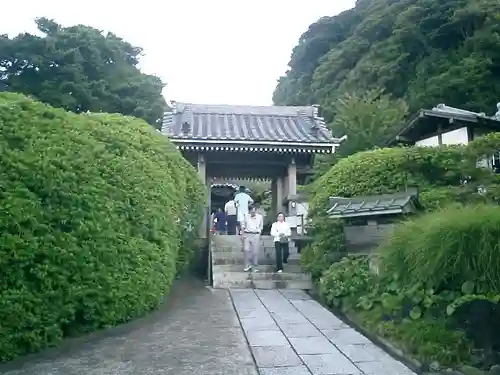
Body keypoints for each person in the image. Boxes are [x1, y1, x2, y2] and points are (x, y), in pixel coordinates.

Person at [241, 205, 263, 272]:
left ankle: (255, 266)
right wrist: (242, 234)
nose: (253, 213)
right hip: (247, 234)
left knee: (255, 252)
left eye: (254, 211)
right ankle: (247, 265)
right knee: (246, 250)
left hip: (256, 234)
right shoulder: (246, 216)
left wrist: (259, 234)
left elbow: (261, 226)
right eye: (252, 212)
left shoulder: (260, 217)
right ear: (249, 211)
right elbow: (243, 226)